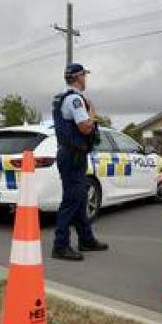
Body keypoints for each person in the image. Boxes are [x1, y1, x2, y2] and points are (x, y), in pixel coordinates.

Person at [50, 63, 108, 261]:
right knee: (72, 200)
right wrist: (93, 113)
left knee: (80, 198)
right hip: (73, 156)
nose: (86, 78)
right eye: (84, 75)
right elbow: (85, 127)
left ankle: (86, 239)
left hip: (72, 155)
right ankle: (60, 245)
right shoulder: (75, 99)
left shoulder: (63, 97)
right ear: (77, 77)